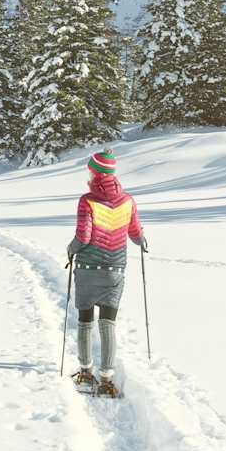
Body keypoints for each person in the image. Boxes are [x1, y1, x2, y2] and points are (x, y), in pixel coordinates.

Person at [66, 148, 145, 396]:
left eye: (90, 169)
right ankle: (108, 380)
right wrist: (142, 240)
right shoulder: (128, 201)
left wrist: (71, 249)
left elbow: (83, 236)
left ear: (95, 172)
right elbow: (135, 233)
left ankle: (86, 374)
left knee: (85, 323)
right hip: (115, 270)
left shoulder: (87, 200)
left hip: (88, 269)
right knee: (108, 324)